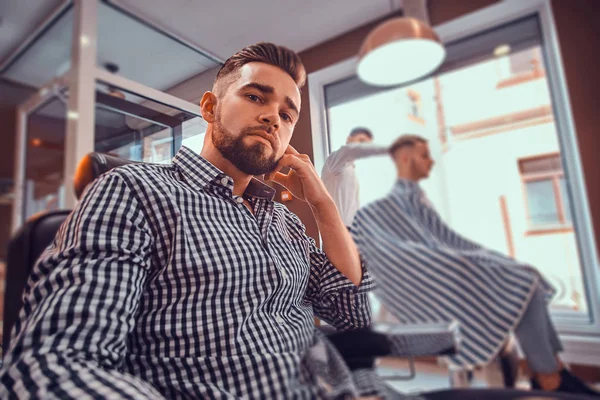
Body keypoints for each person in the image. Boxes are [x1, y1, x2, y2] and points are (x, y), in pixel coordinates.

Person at [0, 43, 388, 399]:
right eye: (255, 97)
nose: (274, 117)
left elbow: (351, 314)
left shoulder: (284, 221)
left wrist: (323, 204)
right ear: (209, 108)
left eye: (288, 115)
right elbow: (56, 364)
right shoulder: (133, 191)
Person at [351, 134, 600, 397]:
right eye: (424, 155)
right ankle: (549, 376)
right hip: (441, 280)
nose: (431, 161)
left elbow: (448, 239)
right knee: (522, 282)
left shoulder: (417, 198)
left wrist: (488, 257)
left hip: (453, 268)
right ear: (404, 158)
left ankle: (552, 371)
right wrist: (465, 262)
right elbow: (407, 253)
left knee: (527, 277)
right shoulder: (386, 206)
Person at [321, 128, 389, 226]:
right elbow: (350, 150)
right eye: (361, 141)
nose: (364, 147)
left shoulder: (350, 169)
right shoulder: (335, 160)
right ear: (349, 139)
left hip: (350, 230)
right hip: (337, 228)